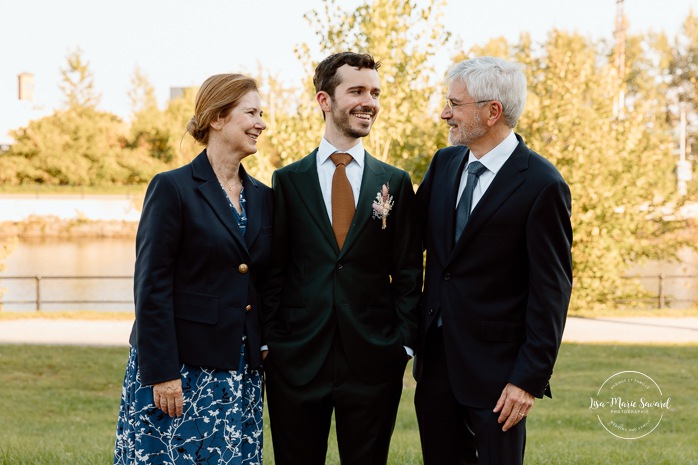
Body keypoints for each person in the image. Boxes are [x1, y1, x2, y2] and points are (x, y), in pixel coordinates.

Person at [262, 52, 422, 465]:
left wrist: (402, 344)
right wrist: (274, 341)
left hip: (373, 359)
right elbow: (274, 269)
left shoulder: (395, 183)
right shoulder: (287, 181)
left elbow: (407, 270)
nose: (369, 101)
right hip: (297, 359)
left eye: (375, 92)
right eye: (357, 91)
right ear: (324, 100)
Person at [414, 56, 573, 465]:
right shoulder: (444, 164)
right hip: (436, 369)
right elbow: (411, 246)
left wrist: (527, 380)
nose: (445, 113)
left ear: (492, 112)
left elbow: (551, 291)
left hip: (500, 379)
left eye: (454, 103)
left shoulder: (543, 185)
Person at [113, 73, 272, 465]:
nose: (261, 123)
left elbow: (264, 281)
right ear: (217, 118)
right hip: (180, 370)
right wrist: (162, 372)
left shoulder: (264, 197)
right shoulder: (173, 188)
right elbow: (151, 285)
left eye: (261, 113)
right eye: (251, 113)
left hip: (239, 374)